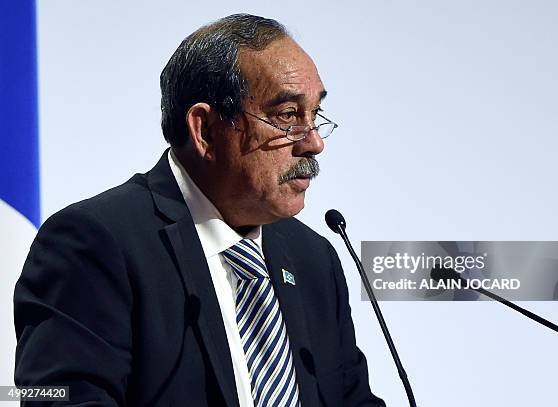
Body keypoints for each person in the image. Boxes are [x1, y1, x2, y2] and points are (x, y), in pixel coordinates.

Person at [14, 14, 385, 406]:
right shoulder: (94, 243)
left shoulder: (314, 259)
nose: (313, 143)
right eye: (288, 116)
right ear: (205, 130)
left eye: (315, 115)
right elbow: (58, 398)